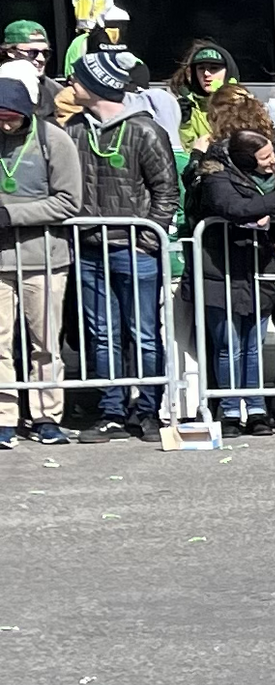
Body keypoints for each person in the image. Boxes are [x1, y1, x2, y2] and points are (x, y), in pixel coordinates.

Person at [65, 52, 178, 442]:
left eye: (76, 79)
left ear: (97, 86)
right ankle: (111, 410)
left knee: (144, 332)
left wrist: (148, 239)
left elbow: (166, 190)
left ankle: (146, 410)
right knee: (101, 333)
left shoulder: (145, 130)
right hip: (90, 248)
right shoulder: (74, 129)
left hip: (135, 250)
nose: (70, 85)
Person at [190, 128, 275, 434]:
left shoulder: (271, 177)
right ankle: (231, 409)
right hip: (222, 270)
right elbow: (232, 208)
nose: (273, 160)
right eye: (265, 156)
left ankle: (257, 408)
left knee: (254, 344)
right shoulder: (215, 176)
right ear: (246, 159)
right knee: (229, 345)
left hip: (257, 268)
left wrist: (274, 208)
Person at [0, 73, 80, 448]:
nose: (5, 122)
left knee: (45, 342)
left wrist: (11, 215)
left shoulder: (54, 140)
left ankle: (47, 415)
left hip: (44, 259)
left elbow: (68, 201)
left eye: (11, 115)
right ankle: (4, 416)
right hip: (0, 262)